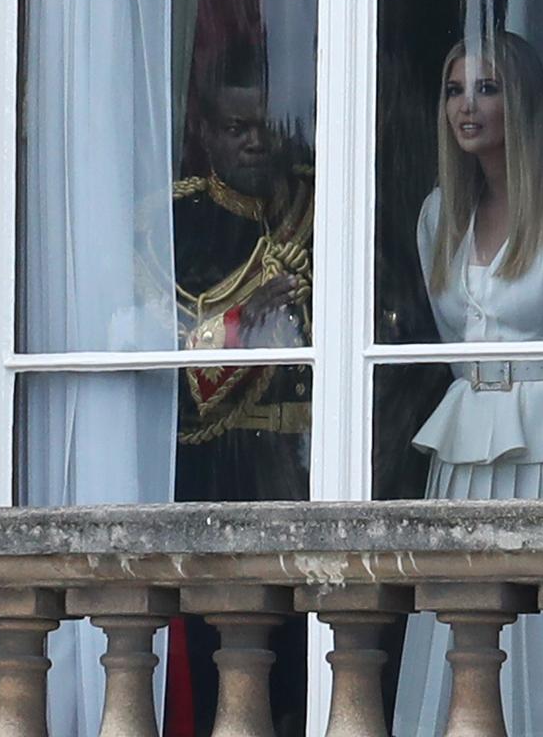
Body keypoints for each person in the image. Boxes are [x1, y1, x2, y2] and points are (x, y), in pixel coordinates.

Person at [393, 33, 543, 737]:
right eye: (454, 89)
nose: (466, 105)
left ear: (523, 101)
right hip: (466, 450)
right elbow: (455, 344)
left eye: (486, 88)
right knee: (466, 622)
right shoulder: (438, 213)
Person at [169, 50, 312, 737]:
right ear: (209, 134)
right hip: (223, 469)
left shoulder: (320, 204)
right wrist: (248, 314)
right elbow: (170, 365)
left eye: (265, 124)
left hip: (312, 464)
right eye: (236, 127)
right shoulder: (179, 222)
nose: (254, 139)